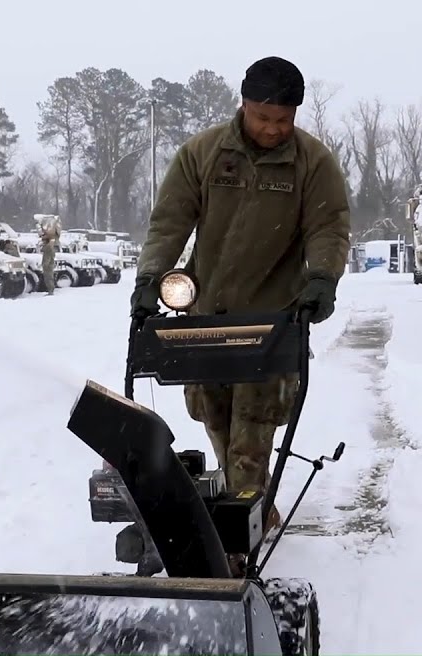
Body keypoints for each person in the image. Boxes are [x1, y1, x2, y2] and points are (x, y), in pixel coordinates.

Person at [130, 56, 351, 557]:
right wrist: (150, 278)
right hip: (206, 314)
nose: (273, 129)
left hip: (274, 317)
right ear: (244, 106)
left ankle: (236, 542)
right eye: (262, 117)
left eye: (283, 120)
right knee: (216, 416)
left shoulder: (312, 163)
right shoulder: (204, 154)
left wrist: (323, 277)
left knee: (253, 423)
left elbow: (329, 226)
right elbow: (170, 222)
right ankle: (251, 499)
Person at [39, 215, 60, 295]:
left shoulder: (48, 246)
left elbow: (46, 263)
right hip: (51, 258)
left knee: (48, 274)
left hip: (48, 263)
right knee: (50, 273)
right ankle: (51, 289)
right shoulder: (52, 244)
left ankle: (50, 290)